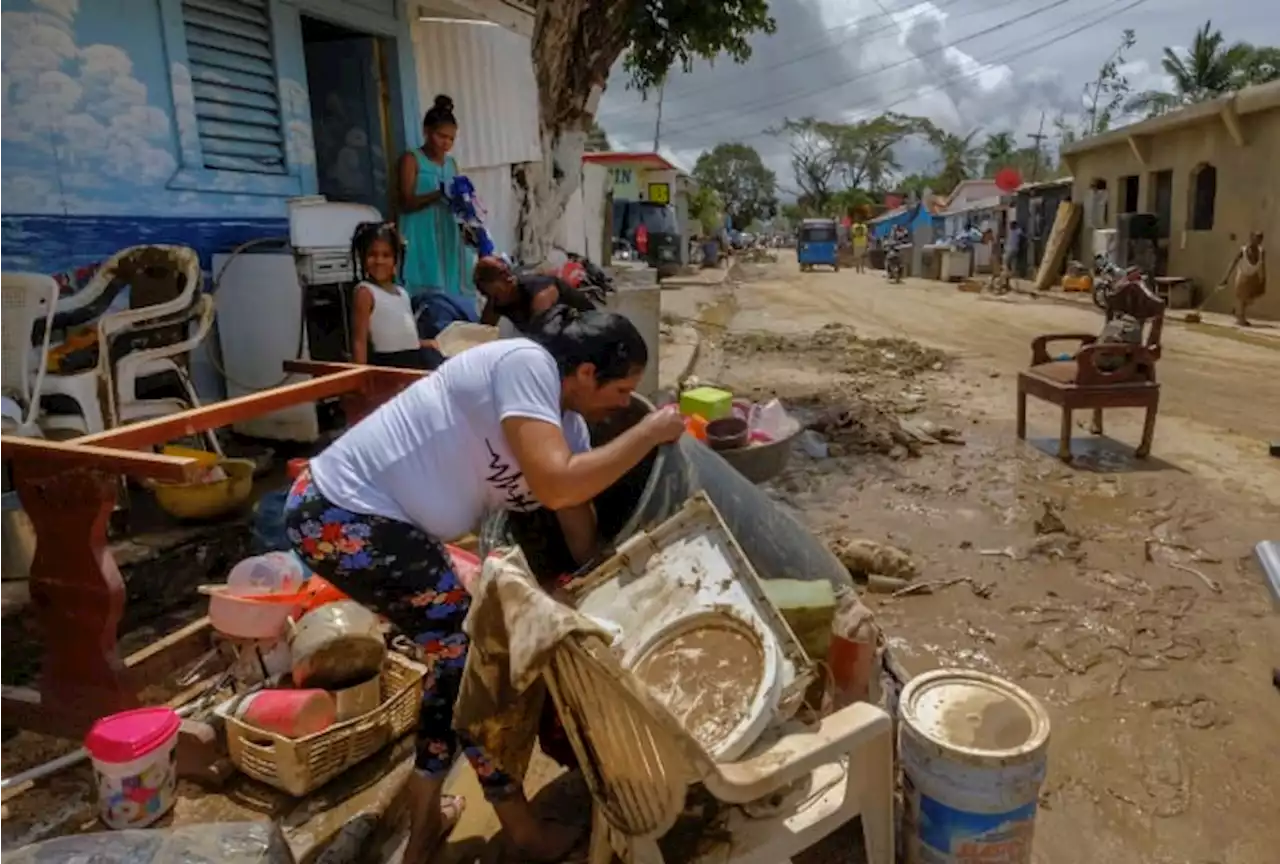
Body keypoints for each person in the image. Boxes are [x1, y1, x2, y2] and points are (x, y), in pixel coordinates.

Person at [284, 307, 685, 863]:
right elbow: (557, 483)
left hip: (373, 529)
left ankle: (428, 818)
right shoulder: (528, 365)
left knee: (455, 669)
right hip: (342, 513)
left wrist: (601, 592)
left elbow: (574, 519)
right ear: (587, 373)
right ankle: (511, 830)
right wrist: (648, 432)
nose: (622, 404)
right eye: (621, 390)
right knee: (473, 664)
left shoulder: (562, 426)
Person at [398, 94, 472, 305]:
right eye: (441, 136)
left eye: (451, 138)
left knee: (449, 285)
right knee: (423, 286)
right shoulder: (412, 160)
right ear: (426, 131)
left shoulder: (451, 164)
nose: (446, 143)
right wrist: (439, 193)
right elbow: (406, 201)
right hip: (420, 229)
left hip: (446, 231)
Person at [349, 222, 443, 370]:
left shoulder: (402, 293)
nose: (379, 261)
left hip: (411, 365)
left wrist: (424, 343)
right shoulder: (365, 292)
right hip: (386, 367)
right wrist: (359, 379)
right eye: (372, 255)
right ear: (362, 258)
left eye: (386, 255)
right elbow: (359, 342)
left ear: (395, 260)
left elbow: (404, 337)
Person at [473, 256, 596, 334]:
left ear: (507, 280)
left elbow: (545, 338)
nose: (490, 299)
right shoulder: (498, 299)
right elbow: (482, 333)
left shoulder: (541, 296)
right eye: (486, 295)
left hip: (588, 328)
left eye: (493, 294)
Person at [1221, 231, 1266, 326]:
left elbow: (1262, 265)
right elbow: (1233, 263)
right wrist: (1226, 277)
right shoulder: (1243, 250)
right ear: (1252, 238)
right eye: (1256, 238)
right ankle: (1241, 318)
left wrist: (1263, 278)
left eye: (1260, 238)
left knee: (1249, 299)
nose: (1258, 240)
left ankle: (1237, 312)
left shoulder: (1262, 252)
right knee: (1242, 297)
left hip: (1253, 276)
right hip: (1243, 275)